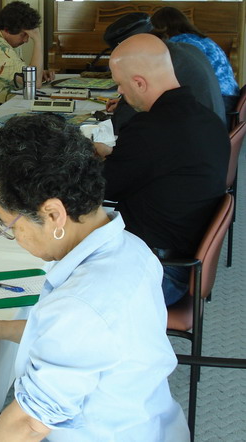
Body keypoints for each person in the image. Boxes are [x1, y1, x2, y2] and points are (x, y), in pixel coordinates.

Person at [0, 113, 189, 441]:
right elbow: (80, 341)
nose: (12, 235)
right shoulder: (133, 249)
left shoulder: (81, 304)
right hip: (148, 421)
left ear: (53, 214)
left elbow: (28, 424)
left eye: (10, 225)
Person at [97, 34, 229, 306]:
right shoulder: (207, 119)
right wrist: (116, 155)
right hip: (179, 254)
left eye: (120, 85)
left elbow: (97, 188)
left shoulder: (150, 130)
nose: (120, 92)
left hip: (158, 268)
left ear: (139, 83)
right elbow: (162, 164)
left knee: (51, 283)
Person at [102, 13, 226, 131]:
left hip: (194, 138)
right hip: (212, 130)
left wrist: (127, 103)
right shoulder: (182, 48)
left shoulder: (157, 62)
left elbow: (122, 123)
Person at [151, 6, 240, 116]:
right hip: (231, 98)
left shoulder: (179, 44)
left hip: (219, 104)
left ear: (160, 28)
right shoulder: (201, 39)